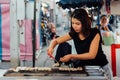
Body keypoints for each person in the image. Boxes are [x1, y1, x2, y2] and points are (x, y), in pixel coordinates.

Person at [47, 8, 113, 80]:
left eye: (77, 24)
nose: (74, 26)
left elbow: (91, 55)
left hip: (100, 69)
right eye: (73, 23)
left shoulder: (95, 33)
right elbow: (56, 41)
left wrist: (71, 56)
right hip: (85, 69)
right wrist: (51, 47)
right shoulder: (74, 34)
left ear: (84, 23)